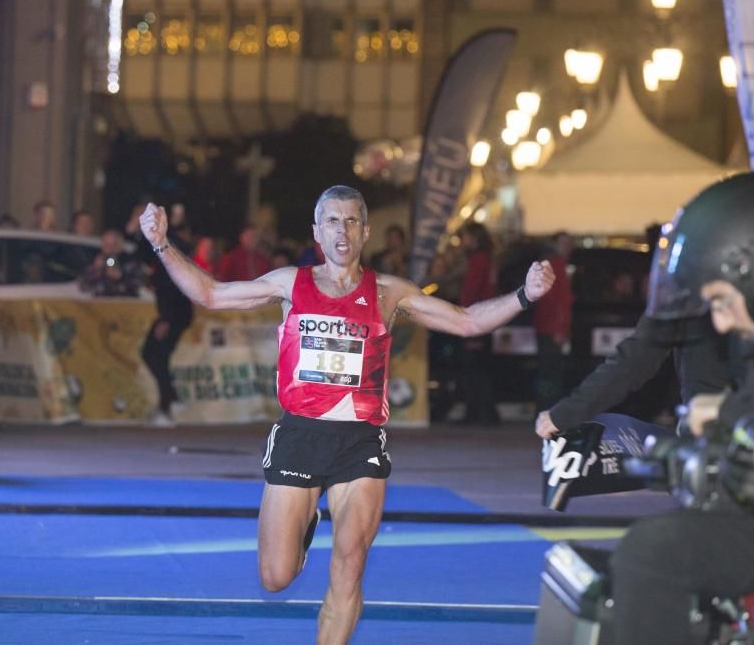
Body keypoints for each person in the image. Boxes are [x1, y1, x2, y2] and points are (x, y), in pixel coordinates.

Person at [138, 185, 555, 643]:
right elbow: (211, 295)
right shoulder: (288, 283)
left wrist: (525, 295)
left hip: (359, 441)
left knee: (349, 561)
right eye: (332, 221)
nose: (343, 229)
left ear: (366, 231)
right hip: (300, 434)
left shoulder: (388, 292)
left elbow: (465, 321)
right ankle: (305, 524)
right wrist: (161, 243)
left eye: (352, 220)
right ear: (317, 231)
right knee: (275, 577)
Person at [607, 171, 754, 644]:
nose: (718, 322)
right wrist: (725, 425)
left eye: (720, 301)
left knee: (654, 552)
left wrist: (743, 440)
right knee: (650, 552)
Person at [126, 202, 194, 428]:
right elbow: (138, 255)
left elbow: (170, 284)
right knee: (157, 355)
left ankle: (168, 406)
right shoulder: (157, 244)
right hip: (174, 310)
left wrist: (165, 318)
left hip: (175, 310)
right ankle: (171, 401)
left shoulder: (166, 244)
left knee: (154, 353)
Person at [458, 222, 500, 425]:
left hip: (475, 317)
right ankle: (487, 413)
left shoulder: (477, 259)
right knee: (482, 368)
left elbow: (472, 289)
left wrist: (461, 313)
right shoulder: (488, 258)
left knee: (473, 369)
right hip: (487, 316)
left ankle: (476, 413)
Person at [533, 231, 574, 413]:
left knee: (546, 371)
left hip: (545, 325)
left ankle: (544, 409)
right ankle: (549, 411)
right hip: (551, 327)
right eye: (564, 243)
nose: (567, 247)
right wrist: (561, 328)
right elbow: (560, 300)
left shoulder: (548, 262)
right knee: (552, 373)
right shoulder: (557, 264)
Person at [79, 229, 143, 297]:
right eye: (106, 245)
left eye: (113, 245)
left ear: (120, 245)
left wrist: (121, 277)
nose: (110, 249)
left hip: (124, 303)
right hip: (101, 303)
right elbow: (83, 286)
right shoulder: (97, 260)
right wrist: (96, 270)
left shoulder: (130, 261)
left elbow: (138, 286)